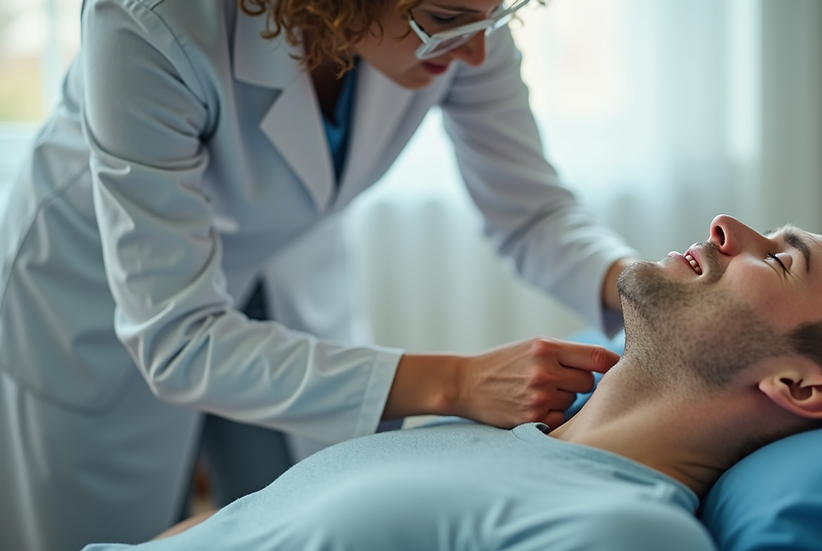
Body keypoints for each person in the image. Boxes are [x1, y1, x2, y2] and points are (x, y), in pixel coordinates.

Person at [0, 0, 641, 549]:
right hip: (99, 290)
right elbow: (180, 338)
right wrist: (457, 382)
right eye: (445, 19)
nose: (477, 51)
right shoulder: (153, 20)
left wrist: (642, 287)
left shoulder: (463, 22)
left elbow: (530, 209)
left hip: (281, 271)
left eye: (496, 16)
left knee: (290, 511)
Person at [81, 211, 822, 551]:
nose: (728, 224)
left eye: (778, 260)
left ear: (800, 385)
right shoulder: (494, 431)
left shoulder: (621, 533)